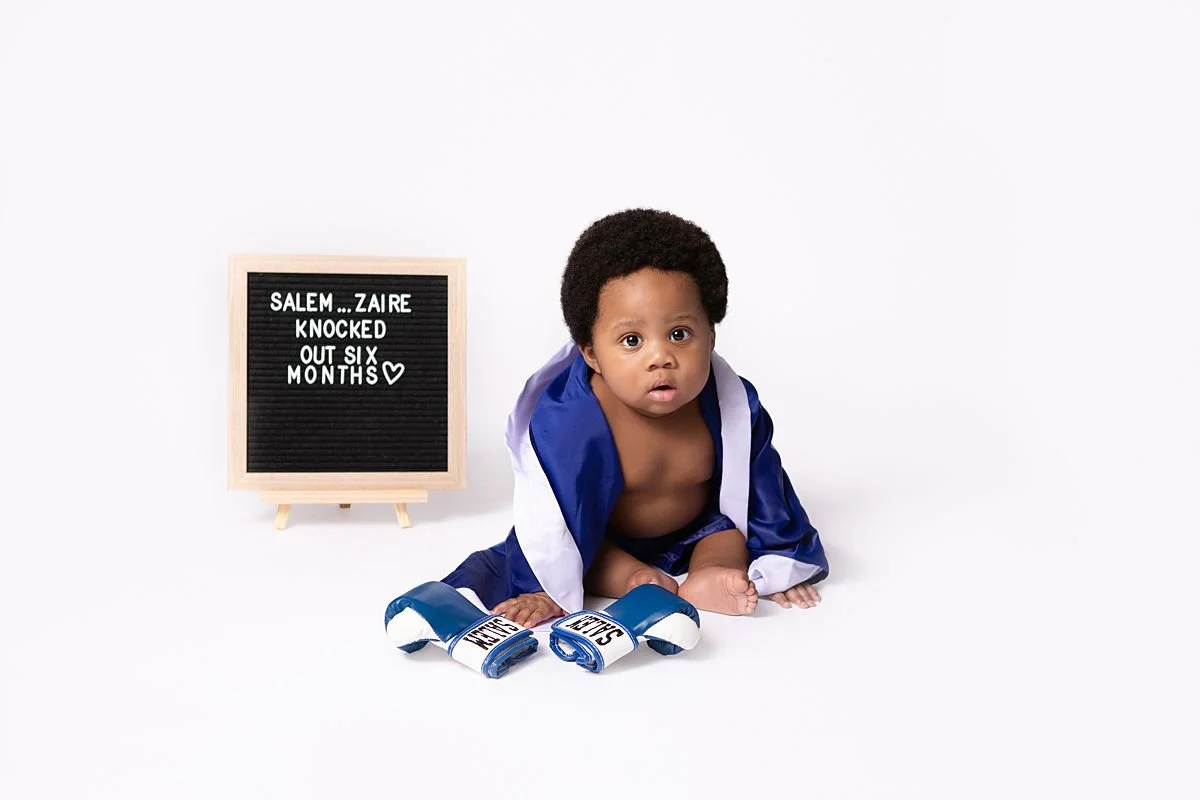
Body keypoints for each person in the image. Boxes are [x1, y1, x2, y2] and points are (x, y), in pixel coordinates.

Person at [443, 209, 829, 628]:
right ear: (592, 354)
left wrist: (781, 561)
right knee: (590, 557)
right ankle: (637, 579)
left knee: (727, 535)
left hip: (694, 531)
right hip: (605, 541)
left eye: (680, 334)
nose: (660, 356)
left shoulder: (731, 406)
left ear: (711, 336)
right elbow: (550, 517)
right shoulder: (573, 419)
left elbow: (763, 488)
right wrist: (542, 586)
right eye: (632, 340)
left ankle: (708, 575)